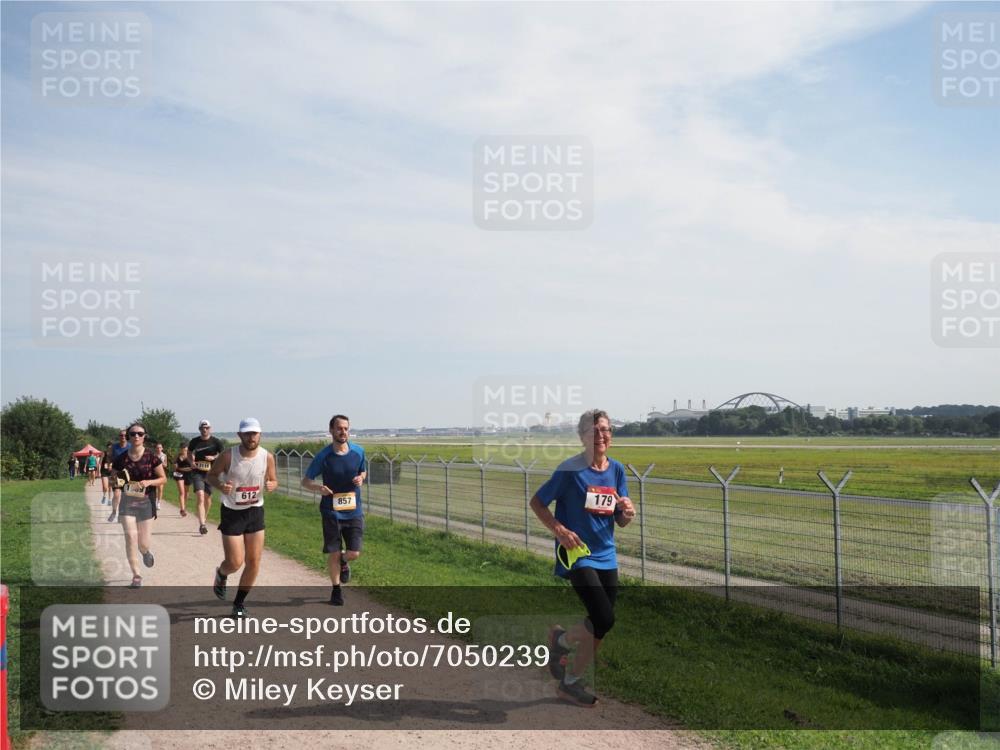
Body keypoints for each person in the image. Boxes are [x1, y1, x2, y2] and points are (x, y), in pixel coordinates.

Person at [528, 409, 636, 707]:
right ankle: (562, 648)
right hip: (577, 555)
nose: (601, 435)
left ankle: (569, 675)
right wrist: (559, 529)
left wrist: (627, 513)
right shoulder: (569, 470)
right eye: (594, 430)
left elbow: (620, 518)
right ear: (582, 436)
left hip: (607, 555)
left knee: (601, 624)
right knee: (603, 616)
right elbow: (537, 502)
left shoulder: (616, 471)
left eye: (606, 430)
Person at [208, 418, 277, 618]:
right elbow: (211, 475)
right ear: (240, 435)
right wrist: (221, 486)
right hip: (232, 512)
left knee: (254, 562)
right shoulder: (228, 456)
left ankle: (238, 603)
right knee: (235, 562)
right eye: (247, 433)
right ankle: (222, 573)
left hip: (255, 511)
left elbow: (273, 479)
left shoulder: (267, 457)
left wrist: (273, 484)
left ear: (260, 435)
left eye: (254, 433)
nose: (251, 437)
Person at [301, 414, 366, 606]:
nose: (343, 432)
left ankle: (345, 562)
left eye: (345, 428)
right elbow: (306, 481)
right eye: (339, 428)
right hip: (331, 511)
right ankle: (336, 590)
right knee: (334, 552)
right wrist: (318, 488)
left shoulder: (358, 452)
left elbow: (363, 470)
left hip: (354, 511)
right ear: (331, 430)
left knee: (354, 552)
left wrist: (361, 478)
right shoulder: (323, 456)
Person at [111, 422, 167, 588]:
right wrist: (119, 481)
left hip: (145, 503)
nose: (136, 436)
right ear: (128, 436)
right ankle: (136, 575)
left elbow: (163, 478)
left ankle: (145, 551)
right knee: (130, 538)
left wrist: (148, 482)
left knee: (143, 542)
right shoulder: (120, 459)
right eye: (133, 433)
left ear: (144, 437)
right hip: (127, 503)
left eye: (140, 434)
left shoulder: (151, 457)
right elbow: (114, 479)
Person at [188, 419, 225, 535]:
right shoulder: (194, 441)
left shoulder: (216, 442)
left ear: (210, 429)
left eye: (207, 428)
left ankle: (204, 518)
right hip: (198, 472)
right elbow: (189, 453)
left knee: (208, 499)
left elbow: (223, 455)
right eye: (202, 428)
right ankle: (202, 524)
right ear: (199, 429)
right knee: (200, 496)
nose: (204, 430)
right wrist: (191, 462)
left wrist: (214, 457)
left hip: (211, 474)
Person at [107, 429, 130, 523]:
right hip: (115, 472)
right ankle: (114, 512)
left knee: (126, 495)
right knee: (116, 494)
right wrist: (109, 464)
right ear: (119, 436)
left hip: (127, 473)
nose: (123, 437)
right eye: (121, 435)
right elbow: (109, 457)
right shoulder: (114, 447)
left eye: (124, 435)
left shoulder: (131, 446)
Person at [173, 443, 193, 517]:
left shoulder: (191, 456)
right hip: (179, 475)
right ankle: (182, 509)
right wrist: (175, 467)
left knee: (186, 492)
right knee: (182, 492)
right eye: (182, 448)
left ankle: (184, 506)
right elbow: (174, 467)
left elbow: (192, 467)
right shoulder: (177, 456)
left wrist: (180, 468)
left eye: (185, 449)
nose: (183, 450)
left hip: (188, 475)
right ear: (180, 449)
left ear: (187, 449)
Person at [154, 442, 168, 511]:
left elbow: (166, 465)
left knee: (160, 488)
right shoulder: (153, 455)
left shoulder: (164, 455)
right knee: (154, 488)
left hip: (161, 473)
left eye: (160, 447)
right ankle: (154, 501)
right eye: (157, 447)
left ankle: (158, 503)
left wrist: (160, 463)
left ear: (162, 448)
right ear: (155, 448)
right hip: (154, 473)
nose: (159, 449)